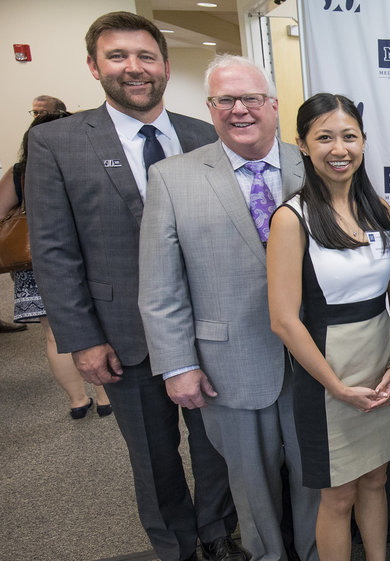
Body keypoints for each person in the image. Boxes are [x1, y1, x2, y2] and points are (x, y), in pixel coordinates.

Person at [23, 12, 240, 561]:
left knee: (217, 448)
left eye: (145, 57)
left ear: (164, 66)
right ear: (94, 66)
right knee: (154, 456)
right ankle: (175, 547)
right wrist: (82, 340)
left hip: (210, 329)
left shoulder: (203, 135)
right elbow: (52, 251)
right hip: (122, 336)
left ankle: (217, 535)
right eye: (118, 57)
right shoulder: (57, 144)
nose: (134, 68)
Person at [138, 54, 320, 561]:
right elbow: (160, 286)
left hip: (316, 358)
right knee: (252, 489)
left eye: (252, 98)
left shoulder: (315, 165)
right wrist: (178, 365)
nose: (240, 110)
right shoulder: (172, 178)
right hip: (230, 362)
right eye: (225, 100)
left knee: (318, 476)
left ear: (274, 105)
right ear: (211, 107)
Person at [268, 93, 390, 561]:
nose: (339, 148)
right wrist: (337, 387)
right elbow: (284, 321)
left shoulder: (380, 211)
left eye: (349, 136)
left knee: (376, 479)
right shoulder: (291, 219)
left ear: (364, 142)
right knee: (338, 495)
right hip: (327, 372)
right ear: (303, 145)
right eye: (324, 137)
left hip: (378, 363)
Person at [2, 109, 113, 419]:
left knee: (54, 335)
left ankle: (77, 401)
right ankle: (105, 394)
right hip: (86, 256)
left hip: (36, 262)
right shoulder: (82, 162)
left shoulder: (19, 172)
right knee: (98, 326)